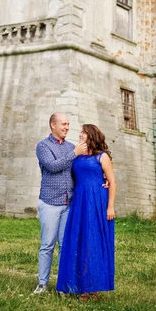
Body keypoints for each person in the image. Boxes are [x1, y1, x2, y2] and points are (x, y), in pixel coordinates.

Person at [56, 124, 117, 299]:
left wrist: (110, 206)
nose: (80, 134)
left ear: (91, 136)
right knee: (80, 241)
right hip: (80, 201)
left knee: (94, 241)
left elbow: (112, 181)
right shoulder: (78, 155)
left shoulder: (102, 157)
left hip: (97, 201)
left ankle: (94, 287)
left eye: (83, 132)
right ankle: (80, 285)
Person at [33, 112, 87, 294]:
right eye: (63, 124)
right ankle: (42, 284)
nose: (66, 127)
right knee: (47, 244)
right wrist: (74, 154)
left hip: (68, 203)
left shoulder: (71, 147)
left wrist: (103, 179)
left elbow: (80, 171)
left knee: (66, 245)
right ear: (53, 125)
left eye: (68, 124)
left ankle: (64, 285)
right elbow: (52, 166)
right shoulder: (43, 146)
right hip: (49, 202)